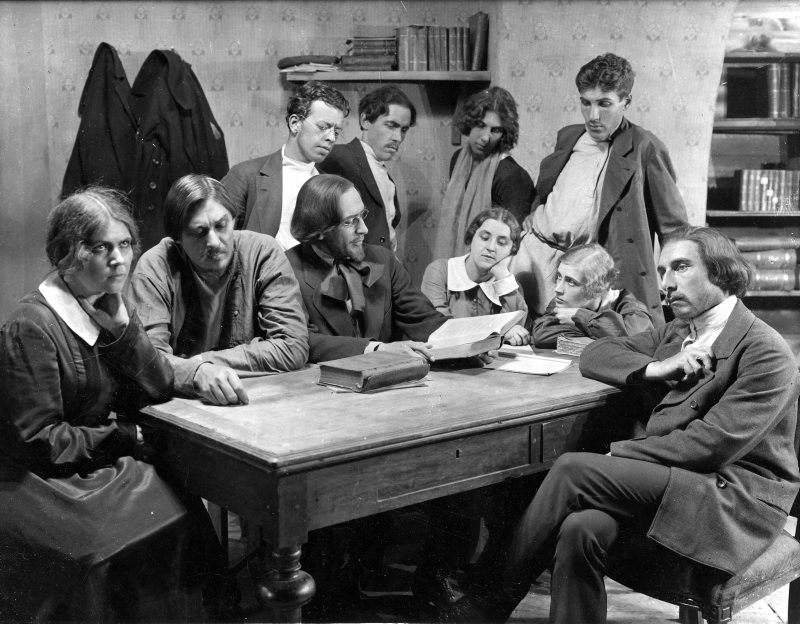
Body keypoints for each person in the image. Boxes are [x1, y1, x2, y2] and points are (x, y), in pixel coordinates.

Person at [448, 226, 800, 624]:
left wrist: (616, 454)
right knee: (582, 527)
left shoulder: (764, 351)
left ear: (720, 273)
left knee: (573, 469)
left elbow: (710, 446)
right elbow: (596, 354)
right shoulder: (678, 331)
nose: (666, 284)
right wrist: (655, 367)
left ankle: (484, 608)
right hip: (679, 479)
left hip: (731, 499)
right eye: (663, 271)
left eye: (681, 267)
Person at [0, 188, 228, 622]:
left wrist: (125, 329)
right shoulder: (32, 325)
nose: (119, 259)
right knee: (145, 532)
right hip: (39, 481)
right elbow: (37, 441)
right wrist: (124, 436)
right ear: (66, 254)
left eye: (124, 244)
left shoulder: (108, 305)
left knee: (182, 513)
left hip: (92, 460)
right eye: (100, 247)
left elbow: (159, 386)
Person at [512, 53, 688, 319]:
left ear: (626, 102)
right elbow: (550, 188)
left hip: (584, 277)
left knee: (584, 339)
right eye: (586, 102)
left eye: (605, 104)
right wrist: (535, 213)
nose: (593, 116)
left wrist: (680, 286)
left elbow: (675, 232)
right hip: (532, 259)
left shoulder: (645, 147)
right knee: (521, 334)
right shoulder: (570, 137)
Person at [129, 174, 308, 406]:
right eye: (199, 232)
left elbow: (292, 345)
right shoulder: (154, 267)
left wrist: (201, 364)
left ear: (234, 220)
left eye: (221, 226)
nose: (214, 242)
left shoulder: (263, 252)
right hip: (180, 405)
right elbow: (150, 361)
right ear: (178, 238)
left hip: (254, 397)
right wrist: (196, 374)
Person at [285, 173, 448, 364]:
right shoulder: (286, 272)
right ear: (319, 229)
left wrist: (470, 336)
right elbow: (302, 341)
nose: (364, 229)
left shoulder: (384, 259)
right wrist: (375, 349)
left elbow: (424, 320)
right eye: (349, 221)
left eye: (362, 215)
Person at [222, 81, 350, 249]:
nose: (331, 138)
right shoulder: (245, 175)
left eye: (336, 132)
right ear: (295, 123)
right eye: (323, 127)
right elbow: (220, 239)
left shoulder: (331, 187)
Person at [434, 86, 536, 259]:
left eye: (495, 130)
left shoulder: (511, 175)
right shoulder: (458, 159)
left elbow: (511, 244)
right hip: (456, 260)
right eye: (480, 125)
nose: (485, 137)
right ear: (469, 122)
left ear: (504, 134)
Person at [319, 85, 415, 251]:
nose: (398, 138)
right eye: (391, 126)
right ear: (365, 121)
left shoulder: (385, 175)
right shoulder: (338, 158)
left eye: (404, 130)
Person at [422, 207, 529, 346]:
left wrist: (504, 280)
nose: (491, 247)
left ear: (512, 250)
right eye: (484, 238)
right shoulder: (440, 271)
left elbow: (517, 331)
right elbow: (440, 329)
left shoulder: (510, 285)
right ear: (471, 237)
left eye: (501, 243)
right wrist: (499, 333)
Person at [532, 242, 653, 348]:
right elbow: (541, 334)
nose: (558, 289)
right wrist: (602, 331)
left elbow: (637, 341)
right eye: (559, 277)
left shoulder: (632, 308)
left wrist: (581, 317)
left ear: (598, 287)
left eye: (571, 282)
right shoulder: (563, 301)